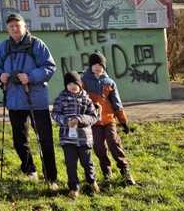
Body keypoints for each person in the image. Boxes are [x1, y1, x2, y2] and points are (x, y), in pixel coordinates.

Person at [0, 13, 59, 189]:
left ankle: (51, 178)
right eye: (11, 26)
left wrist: (30, 77)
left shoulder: (37, 44)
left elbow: (50, 67)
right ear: (7, 29)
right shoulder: (4, 47)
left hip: (36, 100)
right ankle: (30, 170)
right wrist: (0, 75)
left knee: (45, 140)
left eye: (17, 25)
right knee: (19, 141)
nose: (14, 28)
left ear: (25, 27)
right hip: (14, 101)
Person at [82, 52, 136, 185]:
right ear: (90, 66)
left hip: (108, 120)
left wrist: (123, 121)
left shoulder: (109, 82)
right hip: (94, 122)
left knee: (114, 142)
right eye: (95, 65)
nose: (98, 67)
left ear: (104, 67)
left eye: (100, 65)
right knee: (98, 147)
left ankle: (125, 170)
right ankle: (107, 172)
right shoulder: (84, 82)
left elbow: (117, 103)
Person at [52, 71, 100, 198]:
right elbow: (55, 114)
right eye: (69, 84)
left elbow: (94, 116)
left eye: (75, 84)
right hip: (67, 139)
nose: (72, 86)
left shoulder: (86, 99)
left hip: (84, 139)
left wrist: (80, 119)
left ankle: (91, 182)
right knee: (71, 164)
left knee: (87, 162)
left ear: (80, 84)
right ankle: (74, 187)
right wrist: (66, 121)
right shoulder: (61, 98)